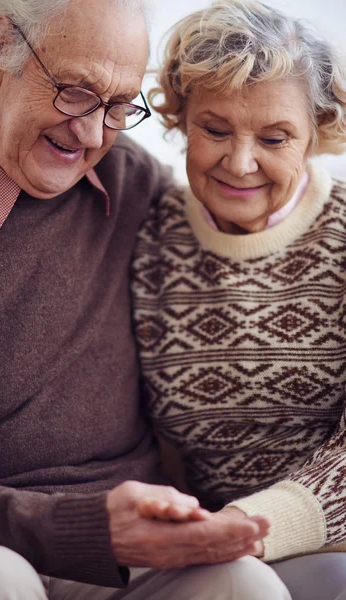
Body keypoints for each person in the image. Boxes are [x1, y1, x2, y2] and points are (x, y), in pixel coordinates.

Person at [0, 0, 293, 598]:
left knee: (245, 584)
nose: (89, 132)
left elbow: (249, 210)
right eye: (75, 91)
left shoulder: (130, 182)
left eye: (117, 106)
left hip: (135, 544)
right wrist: (76, 529)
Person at [131, 1, 346, 599]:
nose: (240, 162)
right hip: (207, 555)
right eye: (215, 129)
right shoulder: (152, 234)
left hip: (329, 549)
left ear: (318, 131)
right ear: (180, 118)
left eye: (275, 137)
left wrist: (243, 529)